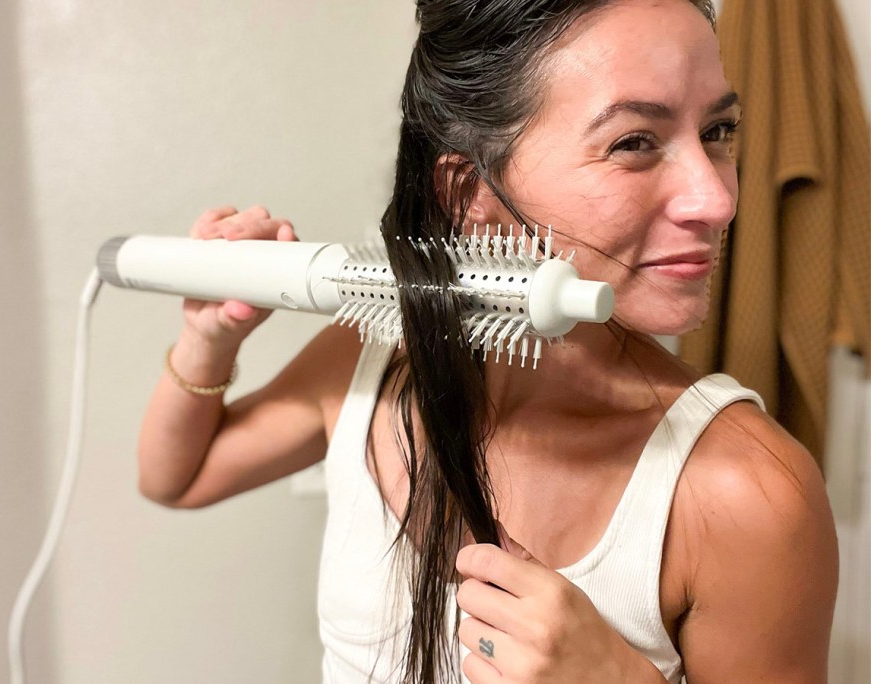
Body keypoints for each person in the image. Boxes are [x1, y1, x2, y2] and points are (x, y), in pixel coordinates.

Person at [137, 0, 839, 682]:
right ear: (470, 191)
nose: (716, 200)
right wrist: (210, 335)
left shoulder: (747, 494)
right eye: (633, 142)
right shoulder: (372, 357)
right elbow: (180, 476)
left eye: (718, 132)